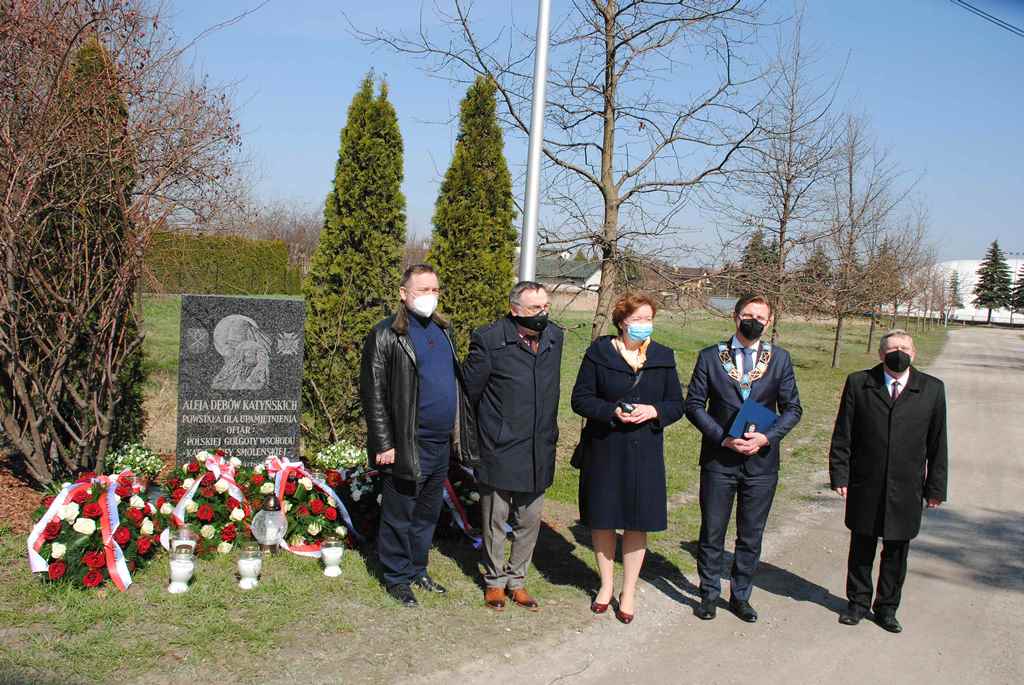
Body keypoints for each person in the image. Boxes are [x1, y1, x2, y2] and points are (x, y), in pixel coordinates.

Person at [359, 264, 478, 607]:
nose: (429, 296)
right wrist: (384, 443)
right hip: (407, 443)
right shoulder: (386, 335)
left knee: (426, 513)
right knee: (400, 513)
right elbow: (374, 393)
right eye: (422, 290)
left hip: (440, 442)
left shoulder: (442, 331)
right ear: (403, 293)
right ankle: (396, 578)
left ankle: (417, 568)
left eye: (434, 290)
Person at [684, 294, 802, 623]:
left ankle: (740, 595)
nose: (754, 321)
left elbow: (793, 408)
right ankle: (709, 593)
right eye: (747, 314)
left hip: (762, 463)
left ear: (770, 321)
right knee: (712, 531)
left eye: (760, 317)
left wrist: (767, 437)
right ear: (735, 317)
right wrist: (723, 438)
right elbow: (693, 405)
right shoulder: (711, 357)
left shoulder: (779, 359)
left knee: (751, 534)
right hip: (720, 460)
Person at [570, 292, 684, 624]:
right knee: (603, 518)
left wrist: (654, 410)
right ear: (622, 323)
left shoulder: (662, 356)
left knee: (637, 521)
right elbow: (580, 399)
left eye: (649, 319)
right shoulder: (599, 353)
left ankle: (629, 590)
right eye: (637, 320)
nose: (644, 326)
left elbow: (677, 404)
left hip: (644, 452)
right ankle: (605, 585)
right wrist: (611, 411)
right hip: (605, 448)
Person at [828, 329, 948, 633]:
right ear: (881, 354)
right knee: (861, 546)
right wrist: (839, 474)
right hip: (865, 482)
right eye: (892, 348)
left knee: (897, 550)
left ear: (914, 353)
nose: (899, 352)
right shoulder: (859, 383)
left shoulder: (932, 389)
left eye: (905, 347)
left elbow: (937, 443)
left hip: (907, 487)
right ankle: (856, 603)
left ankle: (887, 608)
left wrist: (935, 487)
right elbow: (843, 434)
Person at [462, 281, 564, 612]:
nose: (543, 313)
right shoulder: (490, 340)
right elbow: (469, 394)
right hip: (500, 446)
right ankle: (494, 581)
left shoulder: (554, 337)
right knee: (495, 519)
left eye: (546, 306)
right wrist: (480, 439)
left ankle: (516, 581)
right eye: (536, 308)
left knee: (529, 520)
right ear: (515, 309)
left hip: (539, 445)